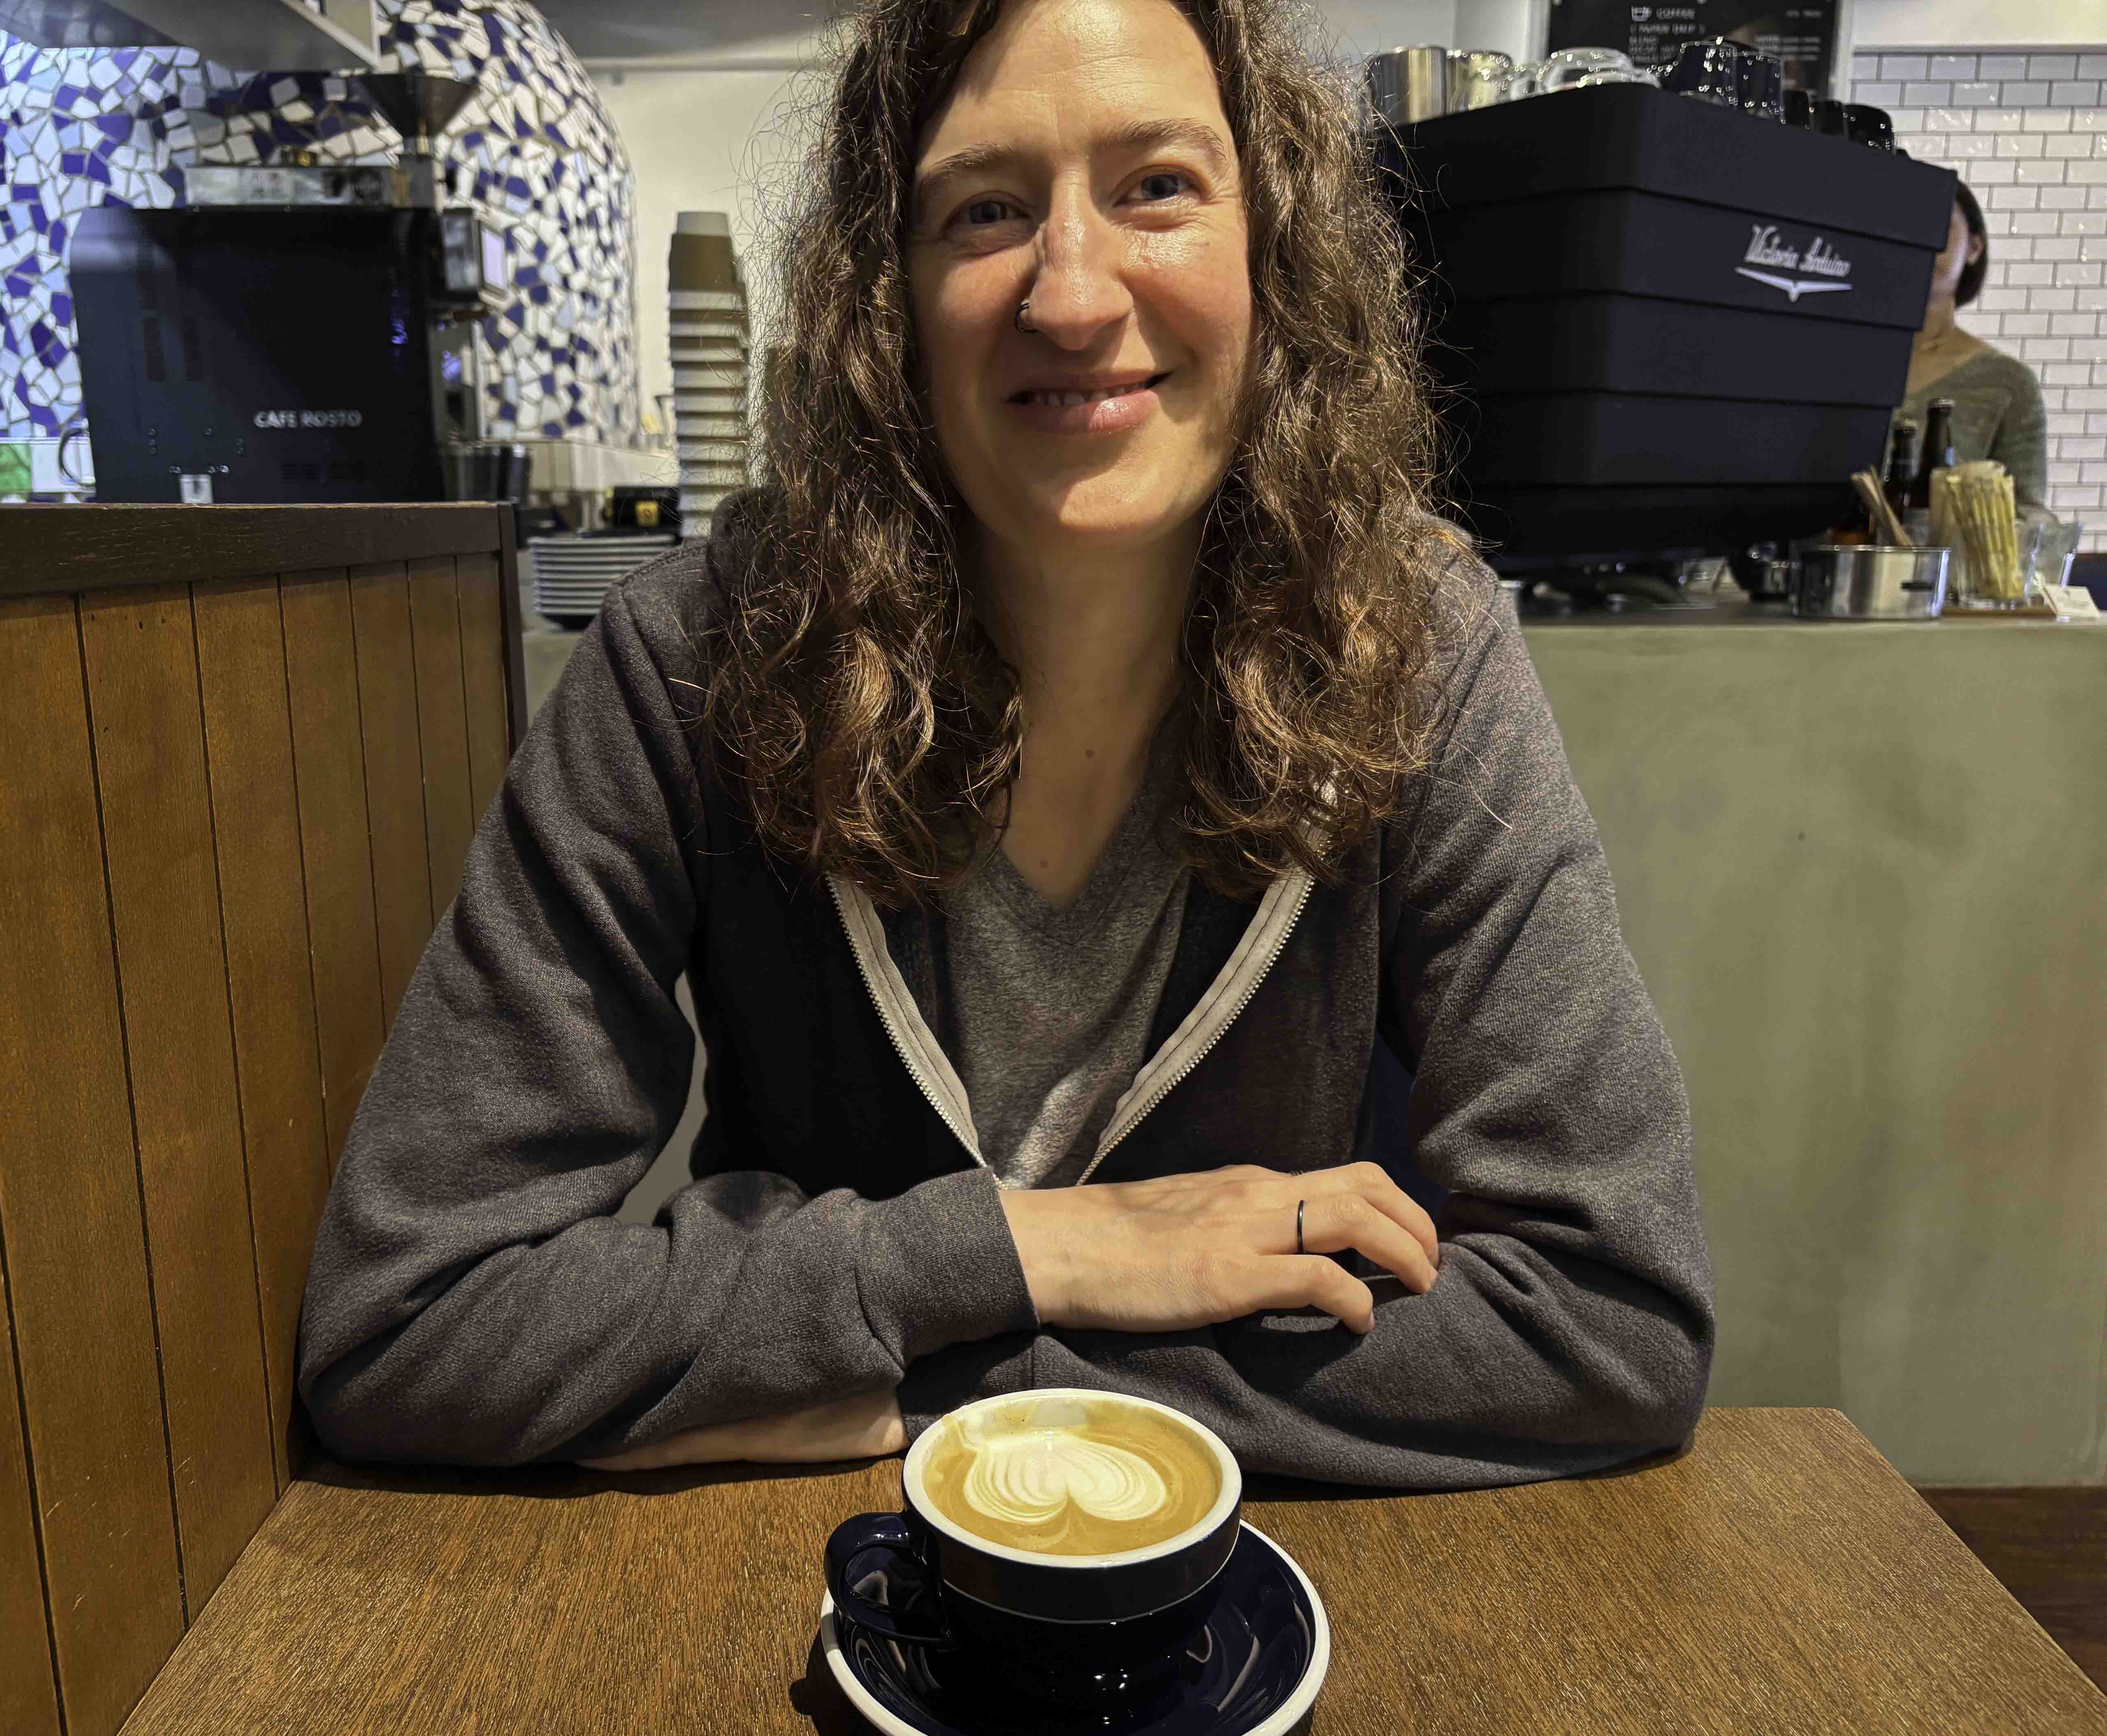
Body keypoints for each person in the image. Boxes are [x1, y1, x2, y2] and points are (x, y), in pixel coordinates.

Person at [295, 0, 1717, 1488]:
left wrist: (927, 1372)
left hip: (1230, 1585)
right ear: (887, 295)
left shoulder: (1416, 640)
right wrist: (1037, 1249)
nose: (1073, 296)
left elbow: (1610, 1317)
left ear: (1273, 248)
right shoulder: (691, 658)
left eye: (1155, 186)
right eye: (983, 209)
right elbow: (409, 1318)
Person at [1896, 177, 2048, 508]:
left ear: (1974, 248)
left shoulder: (2008, 384)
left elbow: (2027, 516)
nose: (1919, 240)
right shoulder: (1833, 362)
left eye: (1937, 225)